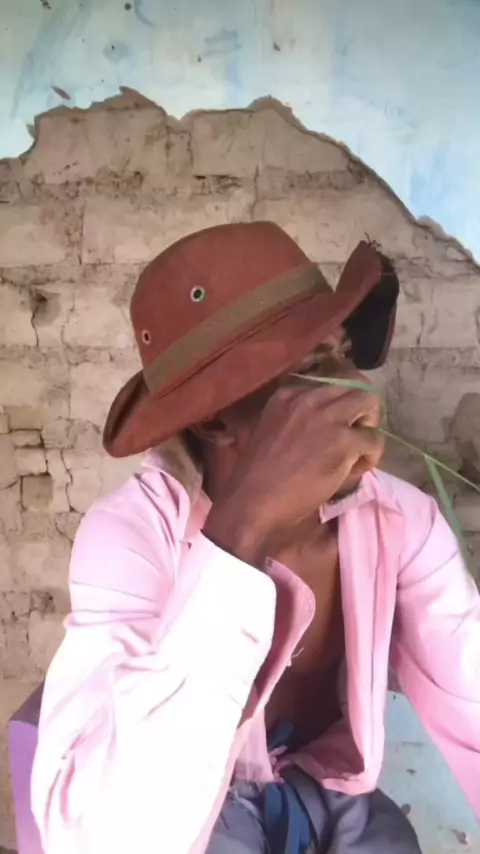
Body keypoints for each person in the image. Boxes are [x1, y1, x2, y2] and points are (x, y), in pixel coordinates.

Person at [31, 223, 480, 854]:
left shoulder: (399, 522)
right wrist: (242, 527)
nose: (356, 388)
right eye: (312, 368)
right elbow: (101, 839)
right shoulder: (132, 537)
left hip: (329, 791)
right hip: (193, 811)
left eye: (343, 351)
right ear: (216, 419)